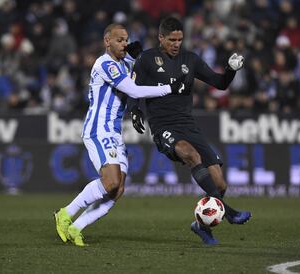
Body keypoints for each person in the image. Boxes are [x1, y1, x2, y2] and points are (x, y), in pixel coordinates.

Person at [54, 23, 184, 247]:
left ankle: (77, 227)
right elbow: (134, 90)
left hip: (114, 132)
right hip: (98, 129)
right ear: (107, 42)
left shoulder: (126, 63)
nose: (124, 43)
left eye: (126, 39)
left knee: (118, 188)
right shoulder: (105, 64)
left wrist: (141, 57)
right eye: (119, 40)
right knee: (111, 181)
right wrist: (169, 88)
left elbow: (146, 74)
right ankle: (65, 214)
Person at [128, 17, 251, 245]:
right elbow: (133, 89)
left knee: (220, 184)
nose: (176, 44)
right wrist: (135, 111)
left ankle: (200, 226)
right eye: (172, 39)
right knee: (190, 155)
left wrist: (231, 70)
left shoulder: (190, 60)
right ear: (161, 38)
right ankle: (230, 212)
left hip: (188, 124)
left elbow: (220, 83)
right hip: (163, 126)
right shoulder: (146, 59)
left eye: (180, 40)